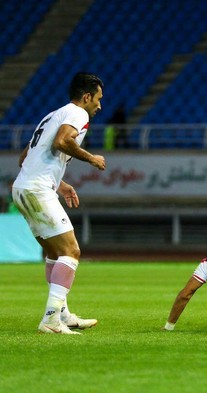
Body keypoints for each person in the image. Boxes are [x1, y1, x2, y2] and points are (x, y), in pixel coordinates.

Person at [12, 72, 106, 334]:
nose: (99, 105)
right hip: (37, 190)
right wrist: (91, 159)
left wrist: (60, 185)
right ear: (86, 97)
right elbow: (62, 141)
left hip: (23, 188)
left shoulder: (52, 115)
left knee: (55, 253)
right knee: (71, 252)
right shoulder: (78, 114)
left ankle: (62, 314)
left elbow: (25, 157)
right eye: (98, 99)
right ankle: (51, 319)